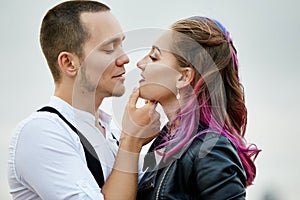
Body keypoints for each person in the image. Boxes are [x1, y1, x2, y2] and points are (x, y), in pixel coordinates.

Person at [7, 1, 160, 199]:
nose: (125, 58)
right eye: (108, 49)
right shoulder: (41, 132)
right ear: (69, 63)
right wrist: (131, 142)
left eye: (121, 45)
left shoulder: (110, 131)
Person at [136, 16, 260, 199]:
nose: (140, 63)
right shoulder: (165, 142)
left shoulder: (212, 148)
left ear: (183, 77)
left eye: (154, 57)